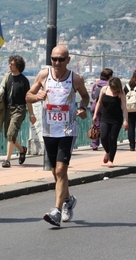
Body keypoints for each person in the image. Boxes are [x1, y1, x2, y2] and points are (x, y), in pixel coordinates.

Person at [26, 45, 90, 227]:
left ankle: (56, 211)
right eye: (54, 58)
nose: (57, 62)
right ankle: (68, 200)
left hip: (67, 130)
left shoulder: (75, 79)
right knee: (55, 172)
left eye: (61, 59)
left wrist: (82, 108)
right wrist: (37, 96)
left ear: (68, 60)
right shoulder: (44, 75)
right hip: (48, 130)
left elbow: (85, 97)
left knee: (61, 171)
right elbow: (27, 96)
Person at [1, 55, 36, 167]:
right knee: (9, 135)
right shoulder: (7, 78)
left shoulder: (24, 81)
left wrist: (32, 114)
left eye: (12, 64)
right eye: (9, 63)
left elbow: (28, 99)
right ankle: (22, 150)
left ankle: (7, 160)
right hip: (8, 109)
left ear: (18, 66)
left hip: (19, 109)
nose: (9, 66)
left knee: (11, 134)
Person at [93, 77, 128, 168]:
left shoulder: (121, 93)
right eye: (112, 89)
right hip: (105, 117)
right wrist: (95, 114)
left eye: (115, 89)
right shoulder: (104, 89)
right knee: (103, 137)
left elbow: (124, 107)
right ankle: (108, 152)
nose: (114, 91)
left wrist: (126, 120)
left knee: (113, 139)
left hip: (116, 119)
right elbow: (99, 102)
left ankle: (111, 160)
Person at [90, 68, 113, 150]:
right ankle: (106, 143)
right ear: (110, 76)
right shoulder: (109, 84)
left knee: (96, 125)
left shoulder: (96, 84)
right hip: (105, 107)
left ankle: (94, 144)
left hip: (95, 106)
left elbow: (92, 96)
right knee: (106, 125)